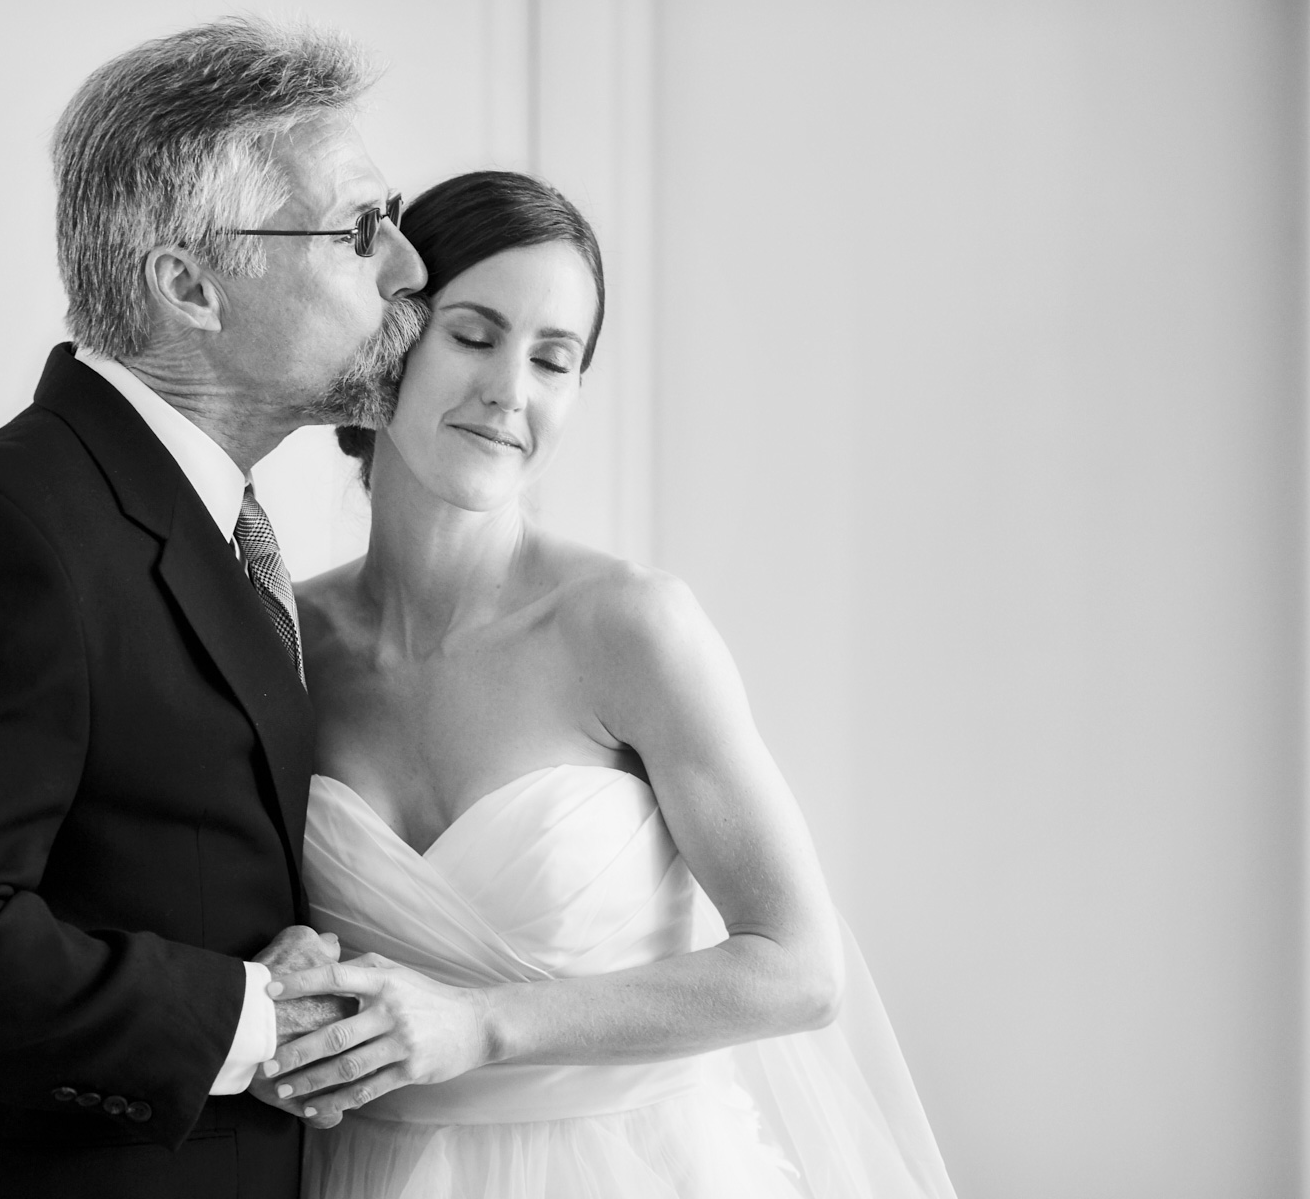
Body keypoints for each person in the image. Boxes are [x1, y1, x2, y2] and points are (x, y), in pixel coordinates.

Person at [0, 19, 425, 1199]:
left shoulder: (205, 520)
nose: (408, 270)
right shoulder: (0, 538)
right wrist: (251, 1018)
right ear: (188, 287)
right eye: (357, 230)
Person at [266, 172, 958, 1198]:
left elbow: (800, 969)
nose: (511, 391)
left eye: (554, 360)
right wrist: (278, 978)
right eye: (473, 335)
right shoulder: (280, 643)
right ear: (389, 338)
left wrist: (484, 1024)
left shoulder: (629, 628)